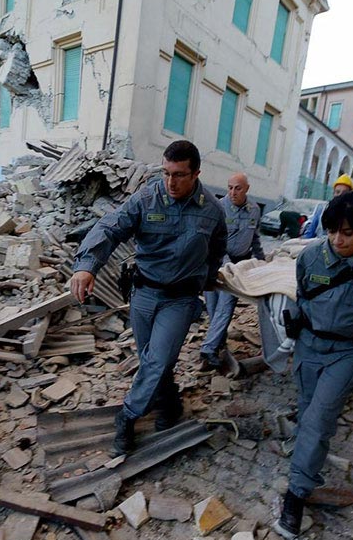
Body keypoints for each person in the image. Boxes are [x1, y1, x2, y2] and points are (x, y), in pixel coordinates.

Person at [70, 140, 227, 454]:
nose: (171, 182)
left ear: (196, 173)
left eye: (180, 175)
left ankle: (127, 417)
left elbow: (216, 250)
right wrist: (88, 266)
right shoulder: (147, 198)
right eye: (167, 172)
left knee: (158, 360)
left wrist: (207, 280)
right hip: (143, 292)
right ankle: (170, 404)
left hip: (180, 299)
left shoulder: (212, 210)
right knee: (151, 360)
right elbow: (110, 227)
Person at [274, 192, 353, 539]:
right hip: (309, 347)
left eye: (347, 233)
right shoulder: (311, 257)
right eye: (331, 231)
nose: (338, 240)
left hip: (346, 353)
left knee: (319, 419)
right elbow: (300, 295)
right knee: (307, 412)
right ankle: (309, 465)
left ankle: (296, 496)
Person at [200, 173, 265, 371]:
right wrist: (226, 263)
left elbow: (254, 237)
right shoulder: (218, 207)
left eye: (237, 188)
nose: (232, 192)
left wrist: (261, 260)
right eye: (229, 188)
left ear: (247, 189)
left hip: (237, 266)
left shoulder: (254, 210)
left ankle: (209, 349)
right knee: (213, 308)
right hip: (215, 261)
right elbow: (210, 240)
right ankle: (218, 342)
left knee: (225, 306)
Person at [301, 174, 353, 239]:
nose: (340, 195)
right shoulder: (322, 209)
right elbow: (310, 232)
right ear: (333, 193)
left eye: (344, 193)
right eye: (337, 192)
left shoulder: (352, 214)